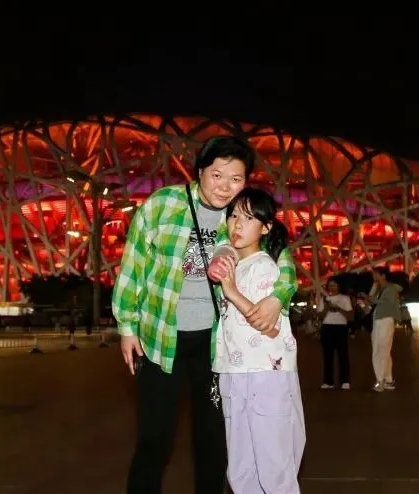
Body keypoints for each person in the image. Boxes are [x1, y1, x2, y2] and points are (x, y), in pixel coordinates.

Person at [112, 136, 298, 494]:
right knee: (155, 438)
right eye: (217, 175)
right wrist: (127, 325)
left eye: (236, 179)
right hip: (160, 336)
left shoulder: (242, 212)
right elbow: (133, 265)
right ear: (199, 172)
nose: (225, 187)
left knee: (213, 439)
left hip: (217, 343)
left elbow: (281, 255)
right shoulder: (162, 205)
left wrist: (279, 296)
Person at [213, 187, 305, 494]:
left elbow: (270, 328)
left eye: (249, 218)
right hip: (234, 373)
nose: (238, 224)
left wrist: (231, 292)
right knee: (241, 468)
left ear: (266, 228)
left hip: (266, 374)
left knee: (274, 466)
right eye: (233, 216)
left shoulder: (265, 266)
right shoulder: (235, 265)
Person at [367, 266, 402, 392]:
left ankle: (380, 381)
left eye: (376, 274)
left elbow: (387, 303)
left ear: (383, 275)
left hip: (385, 320)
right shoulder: (379, 288)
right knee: (383, 350)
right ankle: (388, 380)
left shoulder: (390, 289)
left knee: (380, 350)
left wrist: (372, 298)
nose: (374, 276)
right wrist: (372, 291)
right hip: (379, 321)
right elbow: (371, 301)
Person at [317, 279, 353, 390]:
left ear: (339, 286)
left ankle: (345, 381)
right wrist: (327, 308)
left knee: (343, 355)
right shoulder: (324, 299)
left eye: (334, 285)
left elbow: (350, 316)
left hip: (341, 328)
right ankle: (328, 381)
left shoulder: (345, 298)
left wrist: (338, 308)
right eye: (330, 285)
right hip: (327, 328)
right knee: (327, 356)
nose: (332, 288)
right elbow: (320, 315)